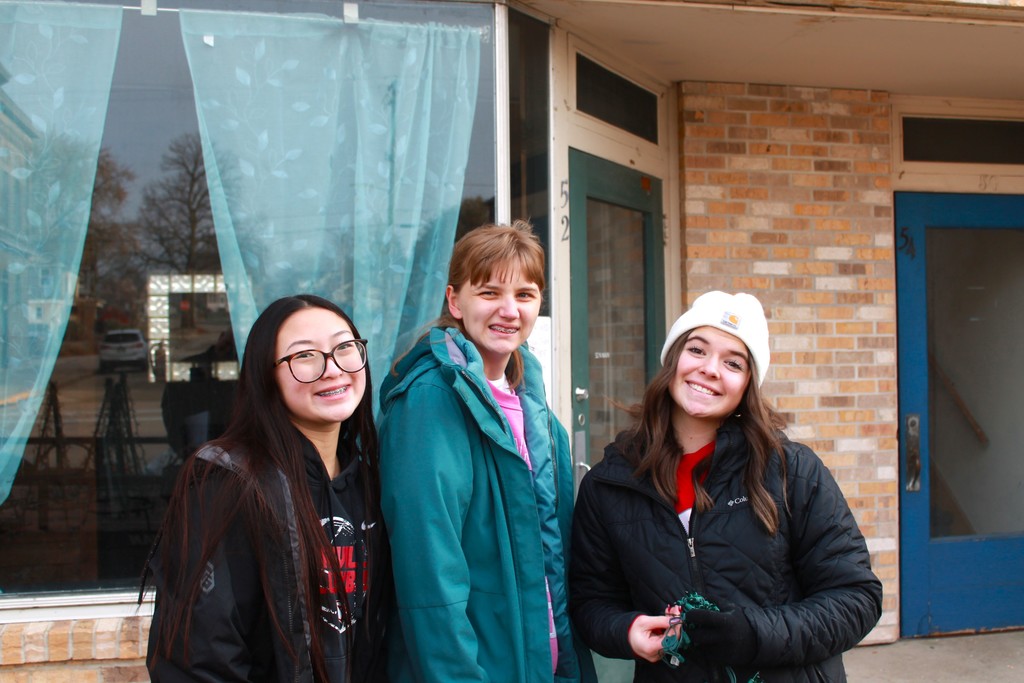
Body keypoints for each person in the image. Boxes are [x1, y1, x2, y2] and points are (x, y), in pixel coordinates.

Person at [569, 291, 882, 683]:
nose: (710, 369)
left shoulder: (792, 471)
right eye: (697, 350)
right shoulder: (609, 485)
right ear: (673, 361)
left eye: (733, 362)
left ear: (748, 383)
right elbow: (591, 602)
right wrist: (626, 631)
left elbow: (856, 599)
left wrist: (752, 634)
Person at [377, 221, 596, 683]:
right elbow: (429, 572)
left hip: (542, 658)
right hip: (478, 666)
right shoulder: (431, 400)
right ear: (455, 301)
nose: (509, 310)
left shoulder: (530, 400)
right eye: (490, 292)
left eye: (525, 294)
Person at [143, 295, 391, 682]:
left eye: (344, 347)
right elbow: (199, 660)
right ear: (266, 376)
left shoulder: (371, 480)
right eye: (304, 356)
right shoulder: (229, 484)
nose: (333, 369)